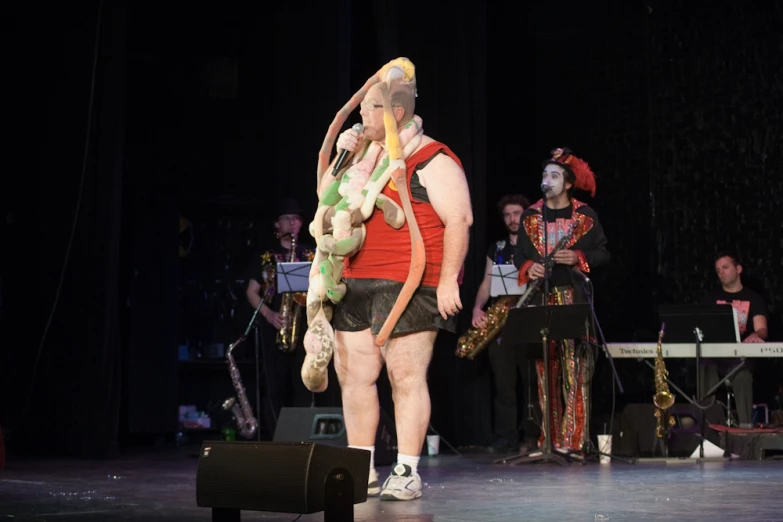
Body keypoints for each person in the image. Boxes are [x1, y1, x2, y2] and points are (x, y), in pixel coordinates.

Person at [321, 67, 472, 501]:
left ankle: (406, 469)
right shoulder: (361, 159)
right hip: (353, 277)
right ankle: (361, 466)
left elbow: (459, 220)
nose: (359, 116)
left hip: (410, 281)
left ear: (395, 111)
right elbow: (328, 205)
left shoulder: (432, 156)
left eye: (367, 108)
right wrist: (342, 157)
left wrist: (447, 282)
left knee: (404, 375)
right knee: (353, 375)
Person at [513, 147, 610, 454]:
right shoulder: (530, 216)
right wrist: (530, 268)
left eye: (554, 175)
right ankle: (550, 441)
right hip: (542, 301)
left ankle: (574, 441)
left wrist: (578, 256)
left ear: (568, 183)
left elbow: (603, 253)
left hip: (573, 301)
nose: (547, 179)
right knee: (546, 374)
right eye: (545, 174)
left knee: (576, 371)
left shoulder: (585, 217)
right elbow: (519, 256)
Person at [245, 198, 340, 439]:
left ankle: (302, 435)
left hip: (306, 327)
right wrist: (270, 315)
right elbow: (251, 291)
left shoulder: (311, 253)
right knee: (275, 385)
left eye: (297, 218)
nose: (293, 222)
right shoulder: (267, 255)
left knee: (304, 383)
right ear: (277, 224)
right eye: (288, 218)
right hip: (276, 326)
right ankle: (276, 435)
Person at [470, 194, 540, 454]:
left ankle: (532, 436)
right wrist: (477, 308)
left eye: (517, 214)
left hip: (530, 319)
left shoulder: (536, 247)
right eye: (508, 215)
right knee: (504, 385)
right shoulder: (497, 248)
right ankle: (506, 438)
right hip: (501, 322)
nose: (512, 219)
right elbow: (487, 284)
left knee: (532, 384)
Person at [699, 250, 768, 427]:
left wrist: (755, 335)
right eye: (718, 270)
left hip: (739, 359)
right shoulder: (710, 299)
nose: (721, 272)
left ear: (738, 269)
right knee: (705, 369)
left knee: (743, 377)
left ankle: (746, 429)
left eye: (725, 267)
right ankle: (707, 427)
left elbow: (762, 330)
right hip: (714, 357)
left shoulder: (754, 299)